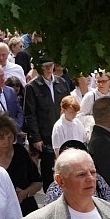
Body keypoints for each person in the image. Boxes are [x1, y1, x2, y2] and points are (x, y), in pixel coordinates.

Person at [24, 58, 73, 188]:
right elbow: (30, 114)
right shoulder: (32, 87)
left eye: (50, 65)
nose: (48, 68)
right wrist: (36, 137)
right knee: (48, 170)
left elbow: (69, 105)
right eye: (45, 66)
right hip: (45, 134)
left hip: (63, 131)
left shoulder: (61, 82)